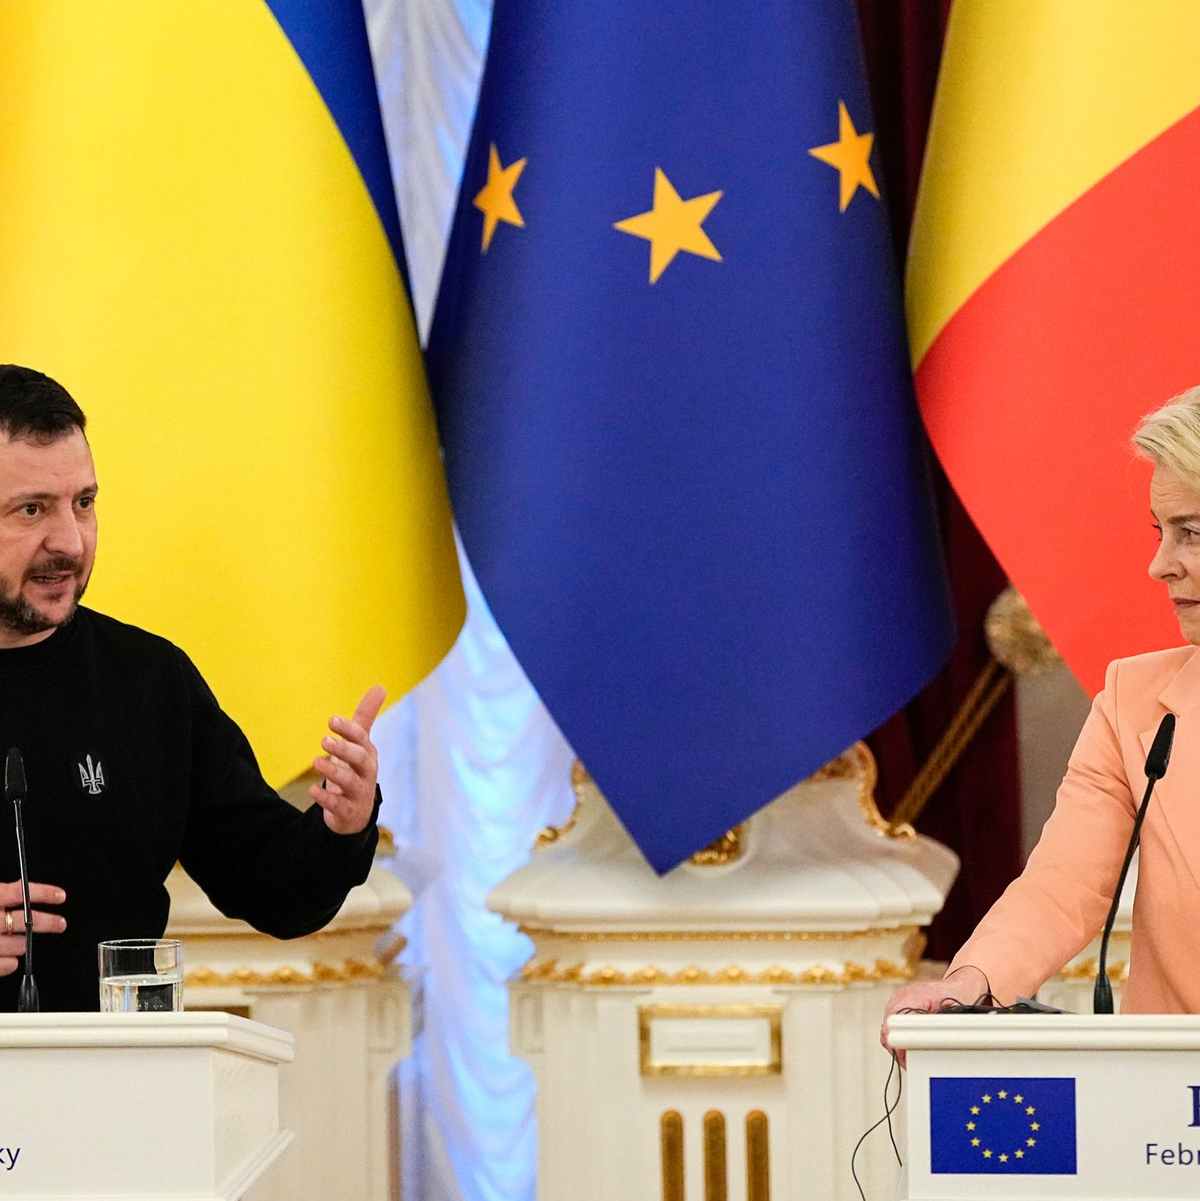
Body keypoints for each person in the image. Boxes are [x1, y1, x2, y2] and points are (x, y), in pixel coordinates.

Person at [0, 364, 386, 1011]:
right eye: (31, 509)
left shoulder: (149, 683)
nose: (68, 540)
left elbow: (276, 889)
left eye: (84, 503)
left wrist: (341, 826)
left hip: (117, 1086)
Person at [883, 385, 1200, 1052]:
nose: (1160, 564)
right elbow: (1063, 884)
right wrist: (968, 984)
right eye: (1160, 531)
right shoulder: (1133, 702)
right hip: (1174, 1115)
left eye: (1191, 533)